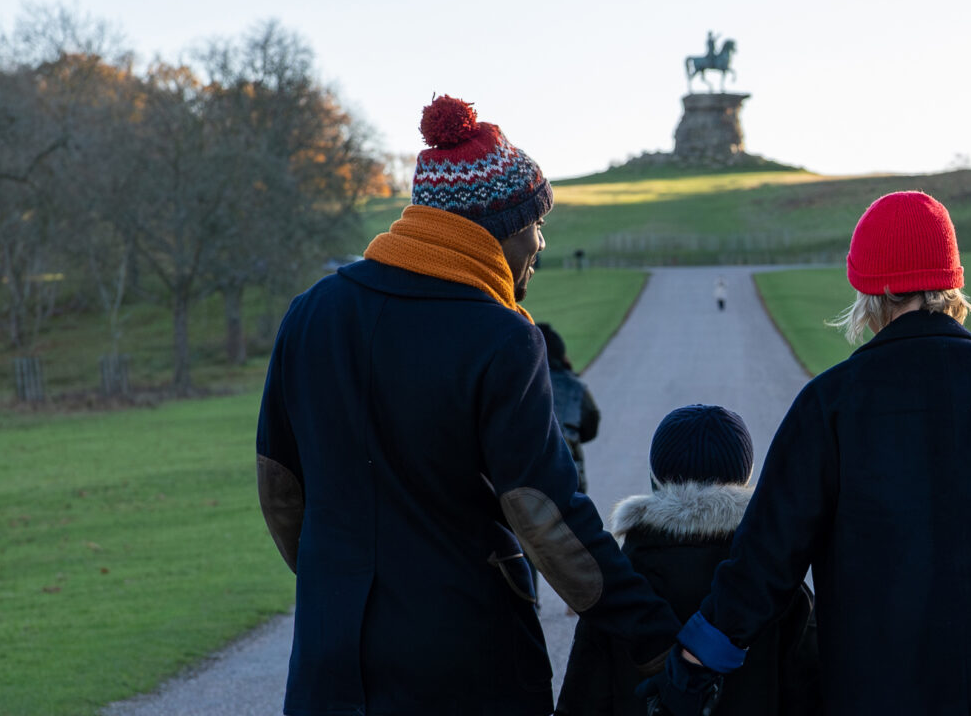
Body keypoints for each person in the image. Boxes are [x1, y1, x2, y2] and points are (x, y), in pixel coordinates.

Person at [255, 95, 681, 715]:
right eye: (536, 222)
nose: (541, 242)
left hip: (330, 662)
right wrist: (654, 638)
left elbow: (280, 489)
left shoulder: (310, 315)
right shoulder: (502, 338)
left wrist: (337, 581)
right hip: (466, 663)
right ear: (499, 229)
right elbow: (545, 514)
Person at [645, 191, 971, 716]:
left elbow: (764, 562)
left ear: (868, 290)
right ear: (952, 283)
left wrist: (696, 663)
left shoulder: (831, 406)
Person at [557, 405, 820, 716]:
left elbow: (582, 699)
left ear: (655, 480)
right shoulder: (776, 584)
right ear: (746, 480)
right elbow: (810, 696)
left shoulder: (619, 580)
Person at [538, 322, 601, 493]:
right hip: (571, 483)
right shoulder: (574, 387)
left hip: (525, 490)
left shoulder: (513, 386)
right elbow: (591, 426)